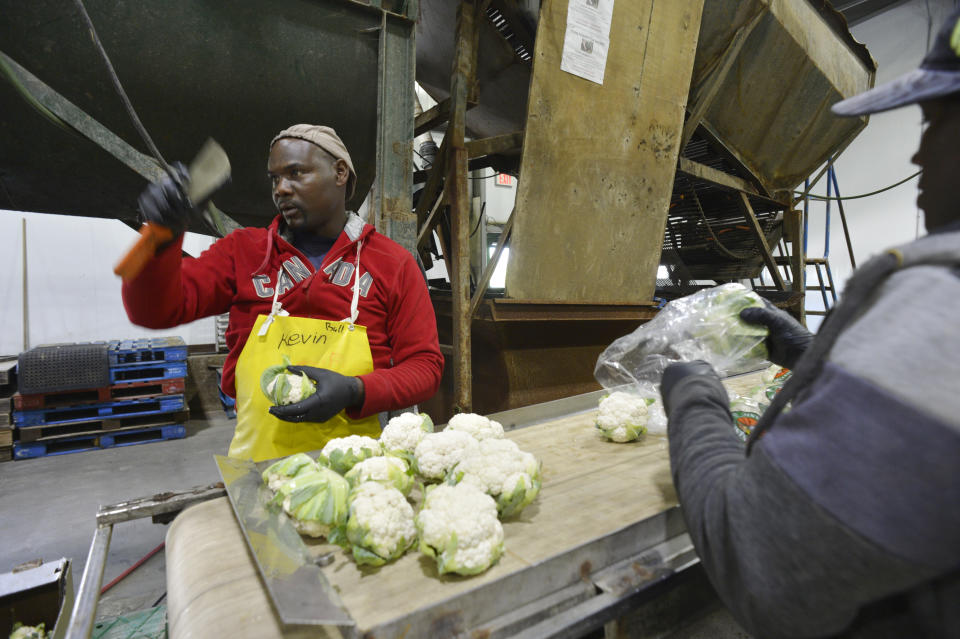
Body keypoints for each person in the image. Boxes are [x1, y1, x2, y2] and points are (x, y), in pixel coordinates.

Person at [658, 10, 960, 639]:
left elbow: (761, 561)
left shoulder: (944, 302)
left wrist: (692, 394)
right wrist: (816, 352)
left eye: (934, 122)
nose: (917, 150)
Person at [122, 125, 443, 462]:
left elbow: (425, 367)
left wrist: (356, 390)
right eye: (275, 178)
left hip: (359, 468)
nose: (281, 190)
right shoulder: (242, 253)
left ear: (339, 172)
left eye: (295, 173)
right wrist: (160, 236)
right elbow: (153, 311)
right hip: (260, 465)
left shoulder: (393, 264)